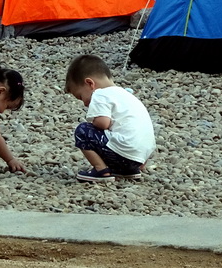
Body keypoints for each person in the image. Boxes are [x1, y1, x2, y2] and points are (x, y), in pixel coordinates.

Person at [65, 54, 155, 182]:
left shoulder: (100, 94)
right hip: (139, 158)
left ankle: (101, 170)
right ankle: (128, 171)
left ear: (90, 83)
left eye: (80, 96)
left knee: (83, 130)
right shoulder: (126, 95)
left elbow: (103, 123)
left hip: (123, 155)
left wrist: (92, 121)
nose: (84, 103)